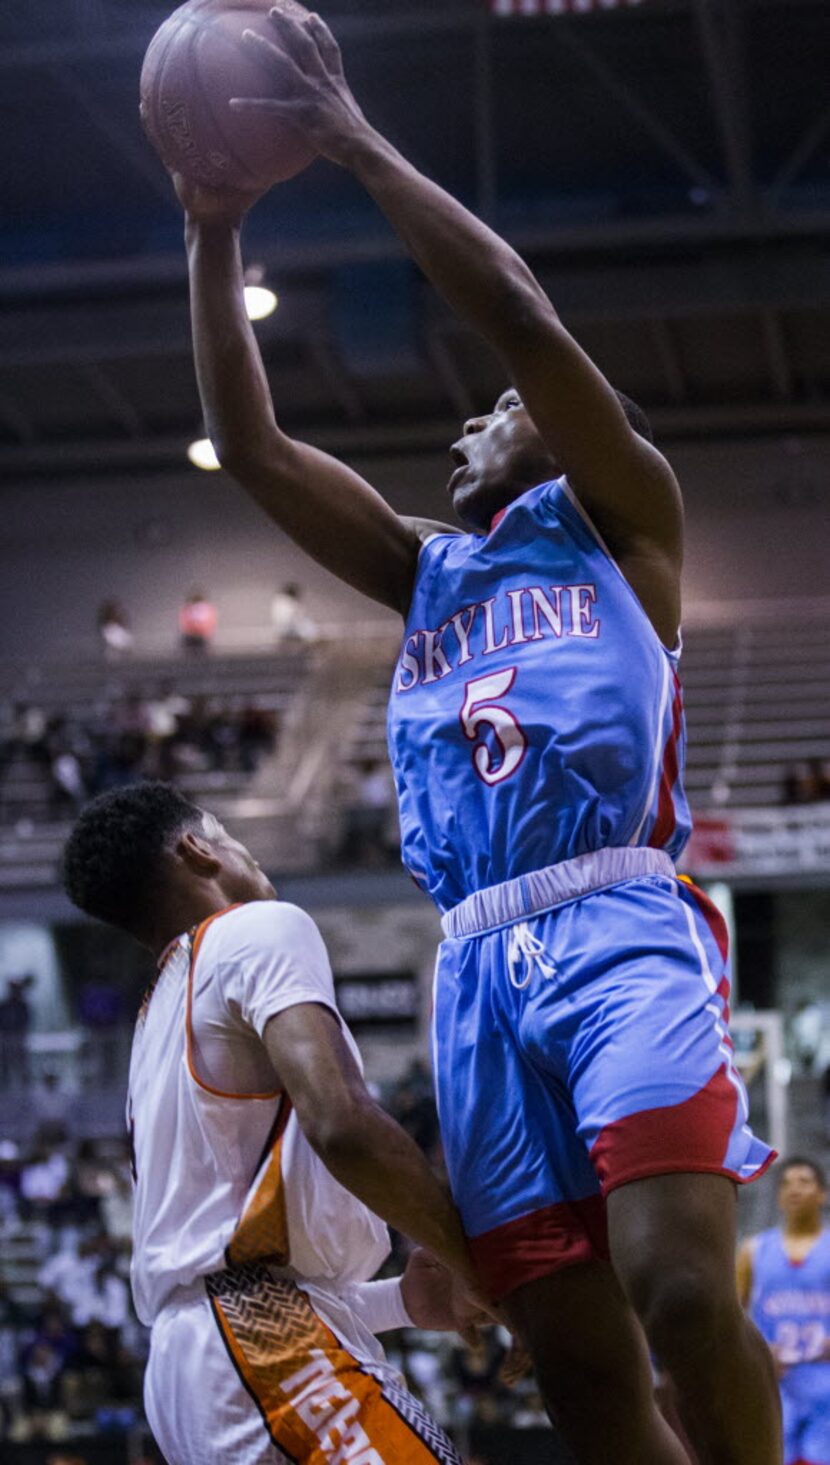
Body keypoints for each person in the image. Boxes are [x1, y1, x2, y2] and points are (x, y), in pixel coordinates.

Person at [176, 11, 780, 1462]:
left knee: (683, 1288)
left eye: (499, 412)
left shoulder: (624, 520)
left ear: (570, 432)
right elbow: (252, 449)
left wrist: (349, 136)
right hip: (477, 963)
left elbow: (516, 312)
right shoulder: (425, 567)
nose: (471, 417)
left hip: (618, 925)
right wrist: (211, 229)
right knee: (570, 1362)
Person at [61, 782, 485, 1465]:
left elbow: (216, 1259)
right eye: (229, 834)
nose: (248, 854)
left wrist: (400, 1300)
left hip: (193, 1365)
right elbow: (342, 1123)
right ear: (198, 850)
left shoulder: (157, 1014)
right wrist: (475, 1262)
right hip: (258, 1343)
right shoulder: (257, 926)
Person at [738, 1157, 830, 1465]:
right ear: (778, 1195)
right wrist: (756, 1351)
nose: (794, 1190)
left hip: (825, 1382)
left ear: (823, 1194)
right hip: (775, 1383)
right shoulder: (754, 1251)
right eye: (786, 1184)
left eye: (804, 1182)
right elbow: (730, 1316)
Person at [178, 589, 216, 653]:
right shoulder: (188, 608)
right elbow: (184, 622)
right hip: (193, 636)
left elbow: (210, 622)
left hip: (199, 636)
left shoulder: (206, 608)